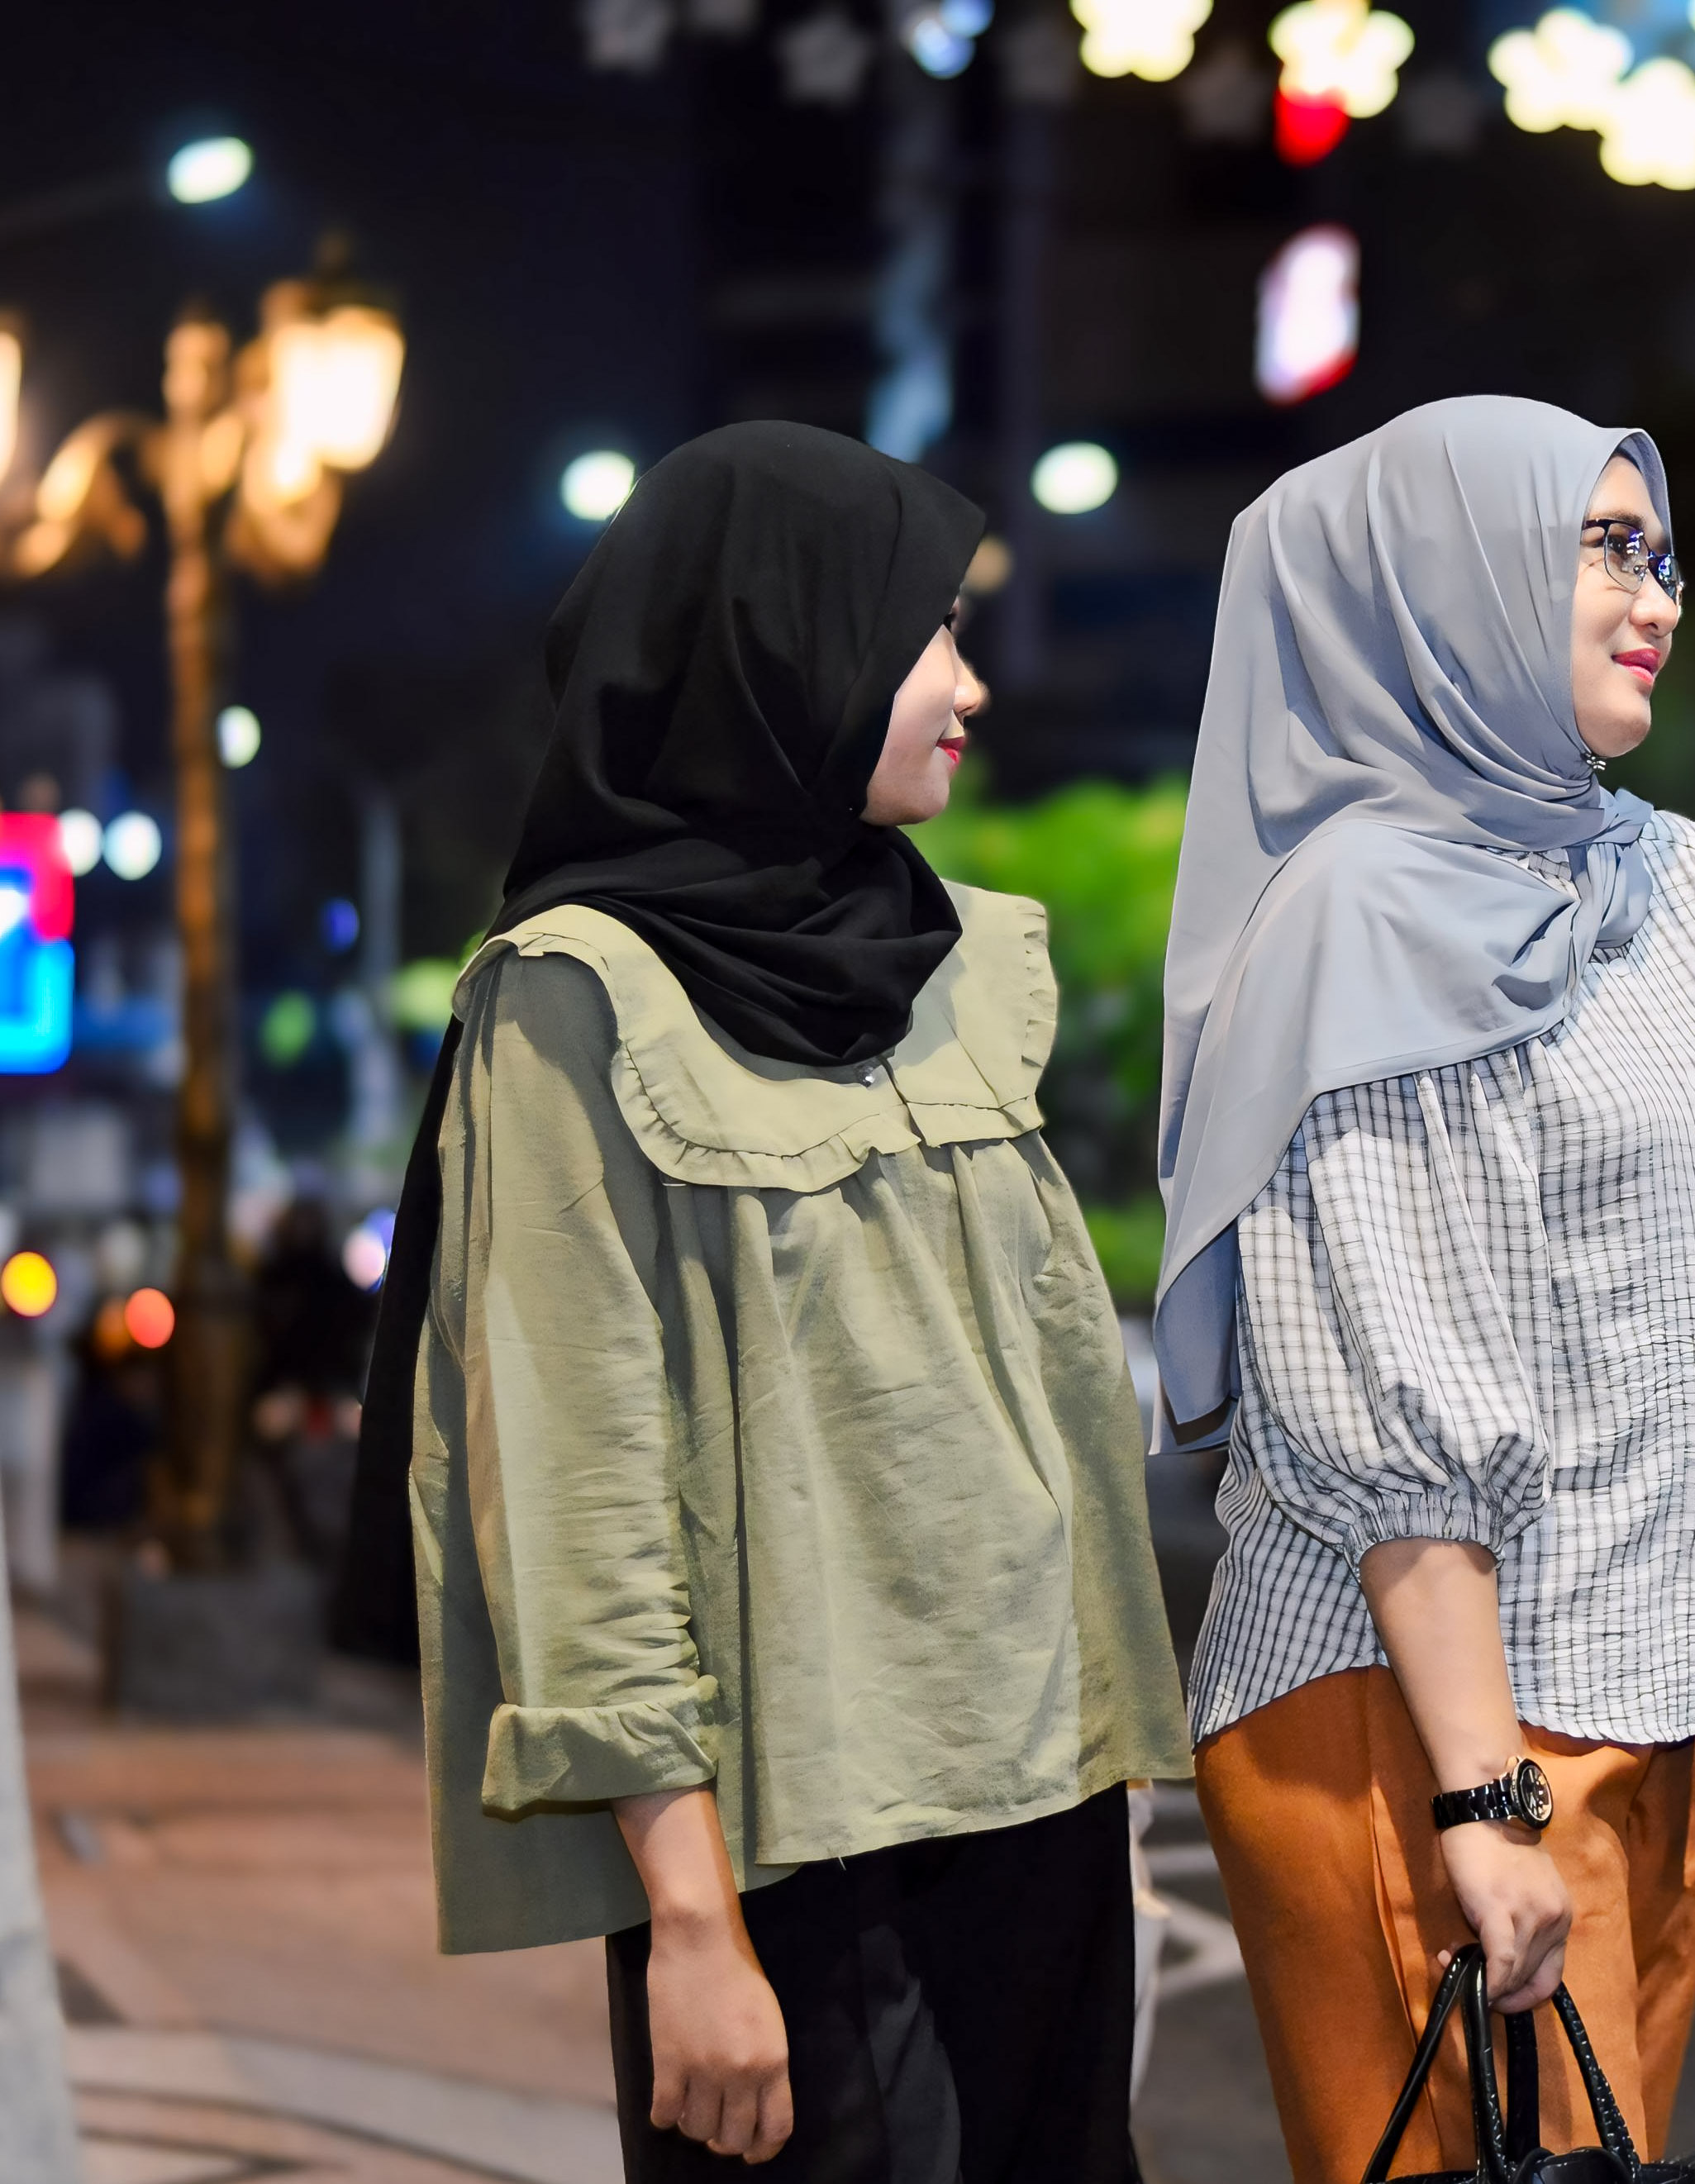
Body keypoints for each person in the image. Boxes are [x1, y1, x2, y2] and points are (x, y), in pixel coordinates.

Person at [385, 421, 1190, 2178]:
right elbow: (577, 1487)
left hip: (1047, 1805)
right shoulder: (572, 997)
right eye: (930, 636)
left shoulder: (977, 962)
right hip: (793, 1839)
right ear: (784, 642)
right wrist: (684, 1916)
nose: (971, 685)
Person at [1156, 396, 1695, 2182]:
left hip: (1651, 1662)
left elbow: (1648, 1270)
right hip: (1420, 1701)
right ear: (1449, 579)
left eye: (1664, 553)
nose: (1660, 596)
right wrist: (1481, 1796)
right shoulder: (1351, 910)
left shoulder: (1676, 870)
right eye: (1604, 548)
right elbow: (1378, 1393)